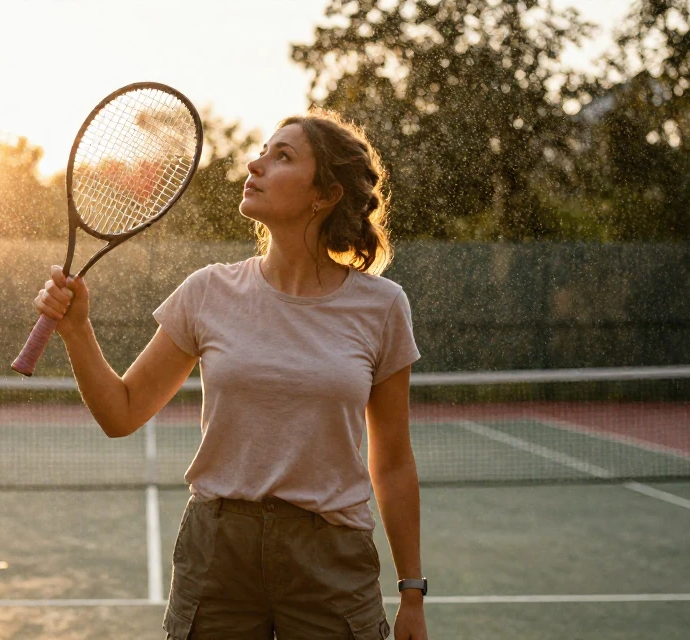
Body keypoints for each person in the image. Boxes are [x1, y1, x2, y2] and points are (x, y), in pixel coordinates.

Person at [33, 109, 427, 639]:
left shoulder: (382, 307)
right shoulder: (207, 292)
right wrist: (78, 331)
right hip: (217, 554)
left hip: (331, 563)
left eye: (282, 156)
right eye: (263, 150)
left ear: (326, 194)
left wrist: (411, 593)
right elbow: (121, 413)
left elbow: (395, 461)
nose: (255, 162)